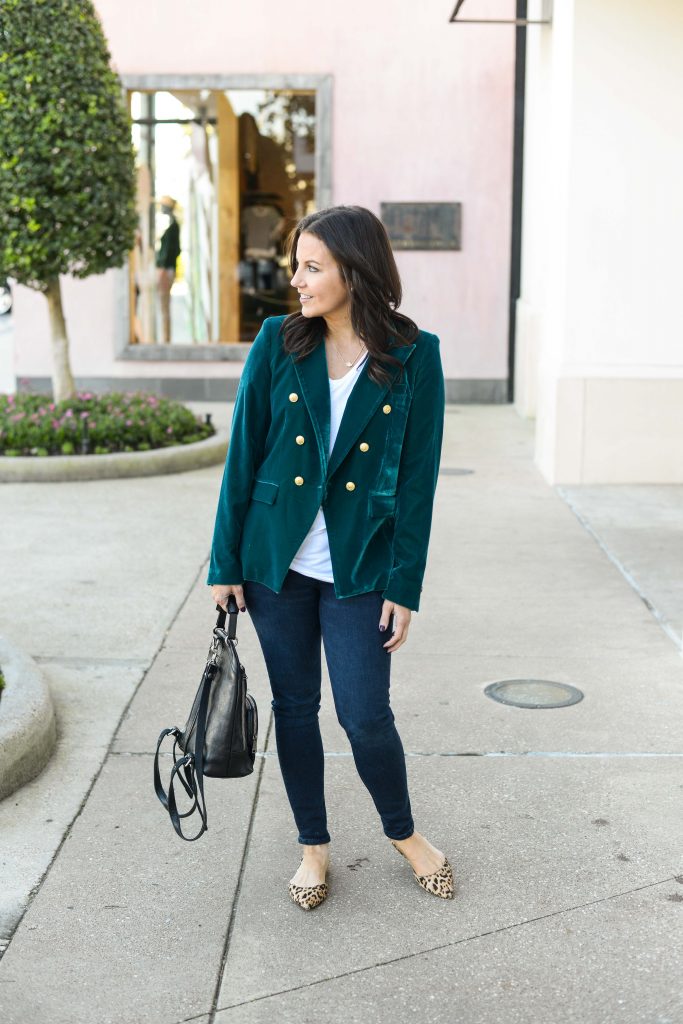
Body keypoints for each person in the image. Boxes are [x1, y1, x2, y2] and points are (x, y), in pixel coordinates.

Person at [208, 204, 452, 910]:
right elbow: (242, 456)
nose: (297, 280)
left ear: (355, 271)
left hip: (359, 565)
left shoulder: (414, 355)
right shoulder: (278, 343)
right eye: (297, 265)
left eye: (312, 267)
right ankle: (312, 847)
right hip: (274, 563)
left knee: (365, 715)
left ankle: (405, 835)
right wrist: (224, 562)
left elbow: (417, 481)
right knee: (293, 707)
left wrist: (404, 584)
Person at [155, 195, 181, 343]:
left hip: (167, 269)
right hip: (166, 268)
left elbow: (173, 250)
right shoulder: (172, 226)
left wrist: (163, 268)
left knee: (164, 303)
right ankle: (165, 337)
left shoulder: (173, 227)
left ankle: (166, 338)